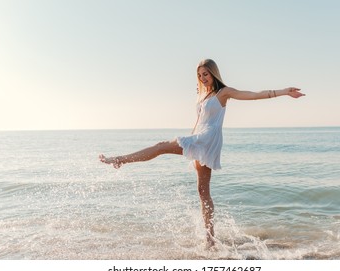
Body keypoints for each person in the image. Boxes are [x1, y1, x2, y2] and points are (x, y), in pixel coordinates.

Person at [99, 58, 305, 248]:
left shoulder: (223, 92)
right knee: (203, 191)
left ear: (214, 74)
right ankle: (211, 239)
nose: (202, 78)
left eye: (205, 74)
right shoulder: (203, 94)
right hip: (199, 138)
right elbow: (198, 121)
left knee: (161, 146)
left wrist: (284, 91)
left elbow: (253, 95)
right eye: (199, 75)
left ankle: (120, 160)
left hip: (207, 139)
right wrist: (190, 140)